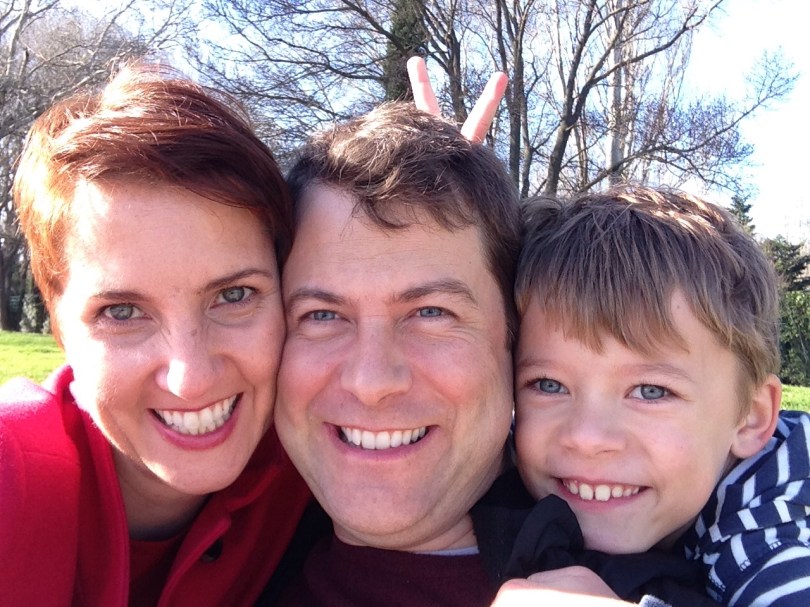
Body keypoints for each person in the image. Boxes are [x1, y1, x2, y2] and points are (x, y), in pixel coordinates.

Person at [0, 63, 312, 606]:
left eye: (234, 295)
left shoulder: (325, 450)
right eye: (122, 311)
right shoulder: (15, 474)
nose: (192, 379)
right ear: (59, 326)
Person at [267, 101, 522, 606]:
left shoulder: (631, 584)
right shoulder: (226, 561)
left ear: (518, 338)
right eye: (322, 315)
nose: (372, 382)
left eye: (431, 312)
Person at [511, 186, 810, 605]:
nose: (587, 437)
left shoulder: (765, 539)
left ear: (751, 417)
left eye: (650, 391)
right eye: (549, 385)